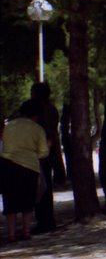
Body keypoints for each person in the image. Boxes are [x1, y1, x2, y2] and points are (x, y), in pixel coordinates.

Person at [1, 100, 50, 244]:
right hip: (29, 166)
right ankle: (26, 231)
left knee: (10, 200)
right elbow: (43, 152)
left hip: (7, 164)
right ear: (37, 115)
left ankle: (11, 234)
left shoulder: (9, 126)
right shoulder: (37, 129)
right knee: (27, 200)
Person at [30, 82, 62, 232]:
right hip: (45, 151)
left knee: (42, 187)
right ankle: (45, 220)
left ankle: (45, 221)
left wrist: (43, 152)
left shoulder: (46, 110)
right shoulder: (49, 108)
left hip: (44, 153)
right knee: (43, 186)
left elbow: (48, 133)